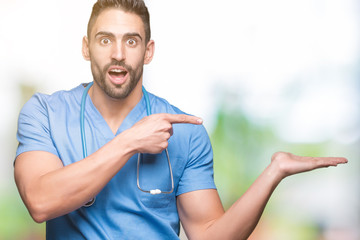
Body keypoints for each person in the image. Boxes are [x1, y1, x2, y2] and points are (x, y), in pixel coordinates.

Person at [14, 0, 348, 239]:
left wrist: (273, 173)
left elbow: (210, 235)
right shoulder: (45, 113)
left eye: (131, 41)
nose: (118, 53)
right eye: (106, 40)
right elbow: (41, 202)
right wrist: (130, 141)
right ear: (87, 48)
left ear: (148, 51)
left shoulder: (184, 133)